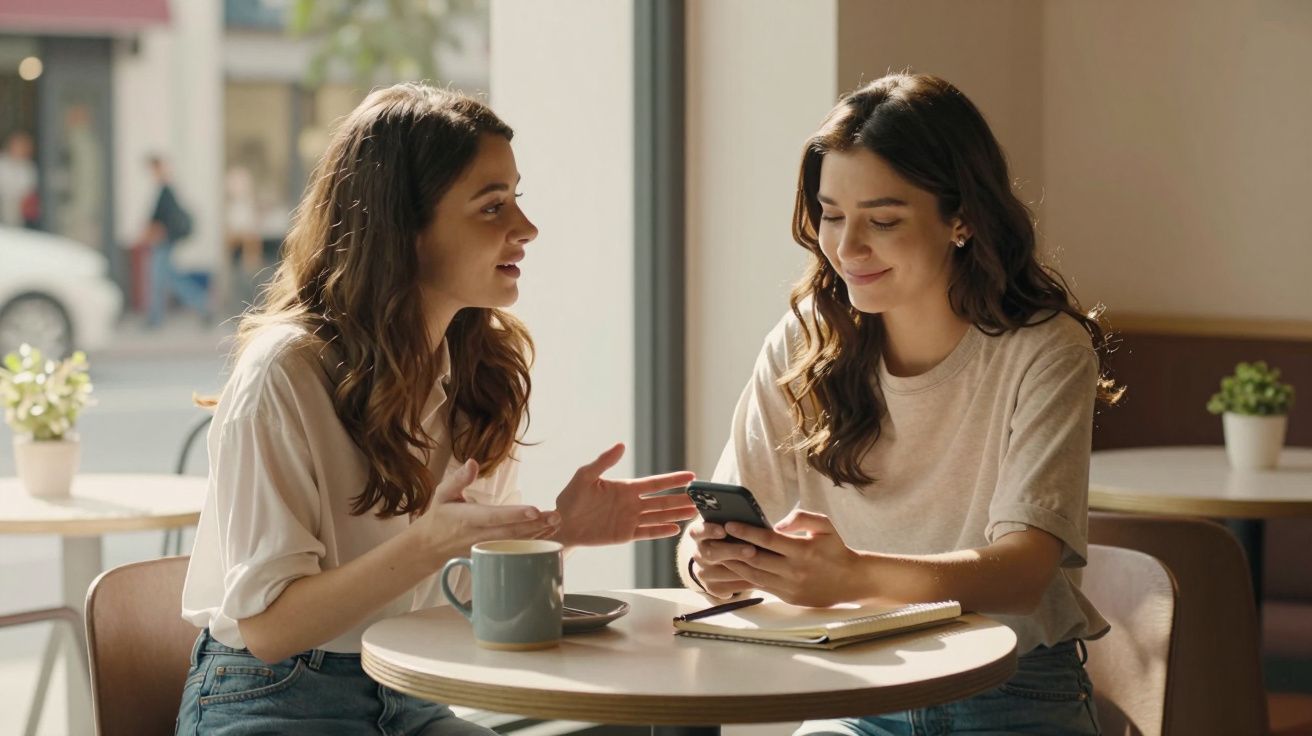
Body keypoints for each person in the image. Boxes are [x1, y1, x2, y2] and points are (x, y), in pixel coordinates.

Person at [176, 83, 697, 735]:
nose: (526, 229)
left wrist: (556, 531)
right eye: (492, 206)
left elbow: (460, 597)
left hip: (413, 690)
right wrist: (428, 544)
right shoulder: (284, 373)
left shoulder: (481, 373)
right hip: (273, 695)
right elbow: (270, 628)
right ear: (405, 230)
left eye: (517, 199)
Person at [678, 72, 1120, 735]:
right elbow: (703, 544)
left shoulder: (1045, 349)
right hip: (855, 689)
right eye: (831, 215)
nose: (846, 248)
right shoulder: (804, 342)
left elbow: (1024, 572)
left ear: (961, 218)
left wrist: (852, 576)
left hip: (1010, 691)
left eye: (882, 220)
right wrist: (711, 565)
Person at [135, 155, 210, 326]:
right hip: (163, 242)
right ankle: (202, 306)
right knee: (168, 278)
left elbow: (160, 219)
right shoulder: (164, 190)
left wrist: (147, 234)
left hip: (163, 242)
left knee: (160, 279)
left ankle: (157, 318)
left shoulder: (166, 191)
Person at [0, 130, 38, 228]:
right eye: (17, 145)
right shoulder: (2, 162)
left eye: (22, 146)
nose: (19, 149)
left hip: (18, 214)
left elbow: (28, 190)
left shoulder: (29, 168)